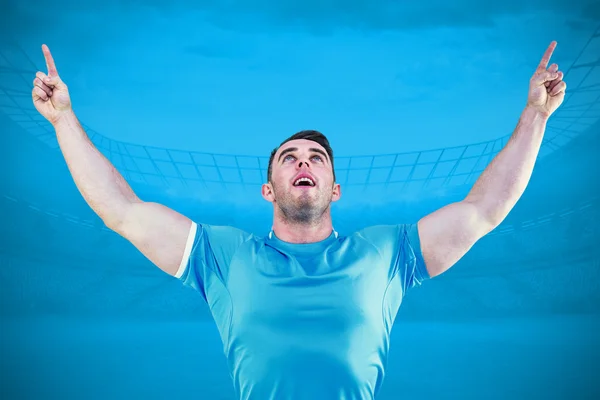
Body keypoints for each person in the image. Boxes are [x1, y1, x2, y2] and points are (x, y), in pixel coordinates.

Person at [31, 41, 566, 400]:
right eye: (289, 157)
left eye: (315, 157)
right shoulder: (221, 255)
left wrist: (535, 117)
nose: (302, 161)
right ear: (269, 189)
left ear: (334, 188)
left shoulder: (388, 254)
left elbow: (483, 211)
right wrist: (64, 120)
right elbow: (122, 211)